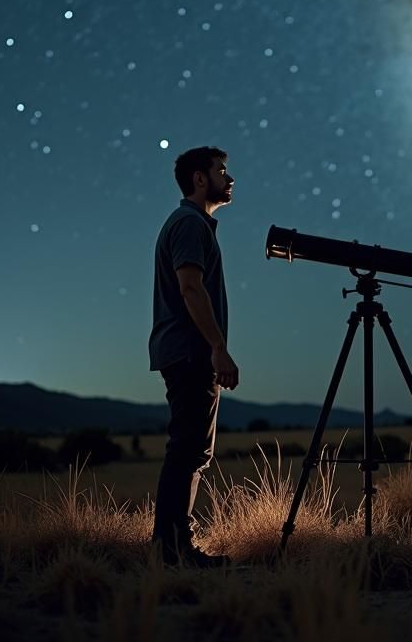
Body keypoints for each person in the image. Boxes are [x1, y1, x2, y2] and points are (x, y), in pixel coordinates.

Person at [149, 145, 238, 567]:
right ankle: (173, 550)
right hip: (190, 352)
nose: (229, 178)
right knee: (188, 449)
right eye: (222, 171)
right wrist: (218, 348)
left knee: (191, 449)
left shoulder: (193, 224)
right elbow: (190, 288)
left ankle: (173, 546)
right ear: (200, 179)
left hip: (185, 350)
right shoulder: (189, 224)